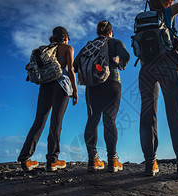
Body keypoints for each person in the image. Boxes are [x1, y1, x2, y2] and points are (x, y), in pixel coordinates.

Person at [139, 0, 178, 178]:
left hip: (146, 69)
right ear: (166, 1)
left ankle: (150, 164)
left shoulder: (142, 19)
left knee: (148, 115)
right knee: (174, 113)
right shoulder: (167, 12)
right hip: (168, 65)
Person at [18, 26, 78, 172]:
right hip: (61, 86)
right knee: (56, 123)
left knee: (39, 121)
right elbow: (70, 69)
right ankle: (52, 161)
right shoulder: (67, 48)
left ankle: (25, 159)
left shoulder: (44, 50)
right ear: (65, 37)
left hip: (45, 86)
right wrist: (75, 91)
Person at [74, 21, 130, 172]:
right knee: (109, 119)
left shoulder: (89, 46)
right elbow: (125, 56)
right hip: (112, 82)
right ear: (111, 32)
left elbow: (74, 65)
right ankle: (112, 160)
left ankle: (93, 160)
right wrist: (119, 63)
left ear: (98, 32)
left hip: (93, 86)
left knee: (92, 119)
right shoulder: (115, 42)